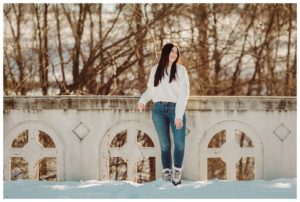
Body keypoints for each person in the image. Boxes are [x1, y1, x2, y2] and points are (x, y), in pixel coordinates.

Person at [137, 43, 190, 185]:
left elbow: (183, 94)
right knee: (165, 145)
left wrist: (179, 115)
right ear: (165, 53)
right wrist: (143, 100)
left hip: (175, 110)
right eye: (171, 51)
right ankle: (167, 172)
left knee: (179, 144)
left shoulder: (181, 70)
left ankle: (177, 170)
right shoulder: (156, 69)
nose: (174, 54)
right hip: (158, 110)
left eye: (176, 52)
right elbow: (151, 90)